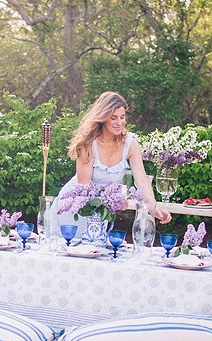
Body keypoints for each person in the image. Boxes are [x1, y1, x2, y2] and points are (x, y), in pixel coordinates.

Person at [50, 91, 172, 236]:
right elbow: (84, 187)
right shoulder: (87, 144)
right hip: (74, 209)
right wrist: (114, 201)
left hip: (101, 214)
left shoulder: (130, 144)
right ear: (103, 118)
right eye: (113, 118)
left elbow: (142, 181)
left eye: (122, 117)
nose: (119, 122)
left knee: (97, 253)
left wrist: (152, 208)